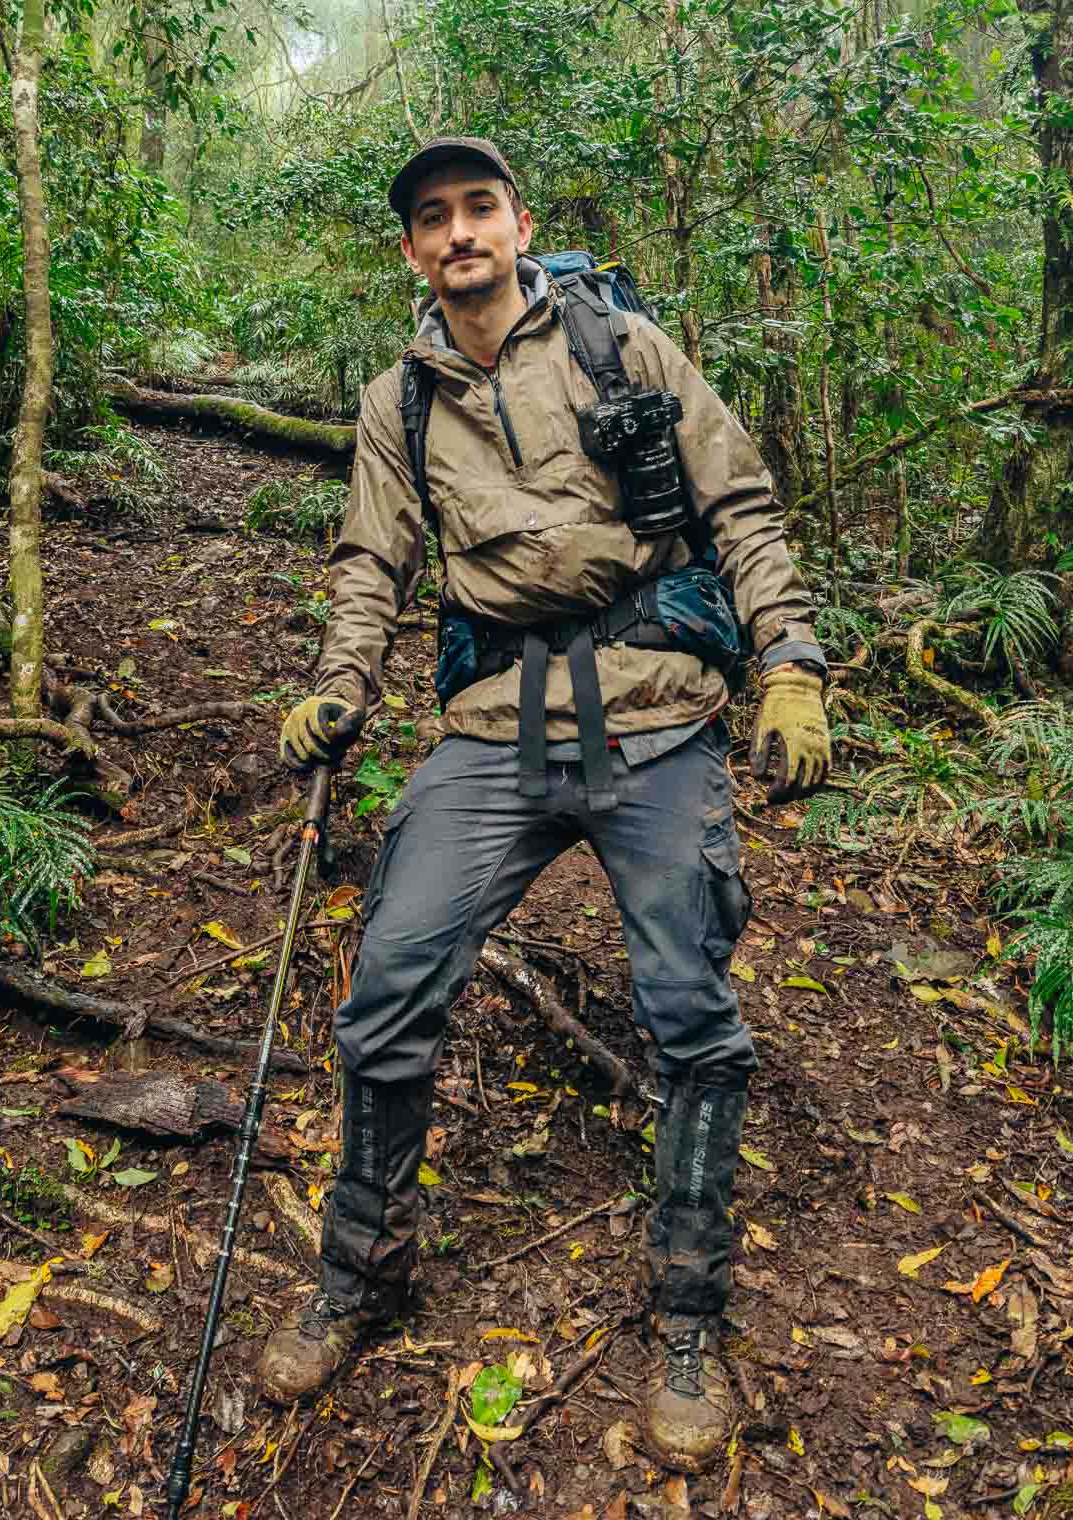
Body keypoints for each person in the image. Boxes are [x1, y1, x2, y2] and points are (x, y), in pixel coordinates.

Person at [257, 137, 830, 1473]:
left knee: (692, 1013)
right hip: (489, 725)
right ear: (410, 251)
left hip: (652, 707)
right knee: (389, 985)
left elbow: (740, 507)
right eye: (431, 220)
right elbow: (371, 561)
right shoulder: (397, 400)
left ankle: (690, 1318)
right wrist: (340, 687)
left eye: (477, 210)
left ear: (519, 224)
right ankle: (364, 1267)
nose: (458, 234)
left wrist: (791, 665)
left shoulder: (625, 348)